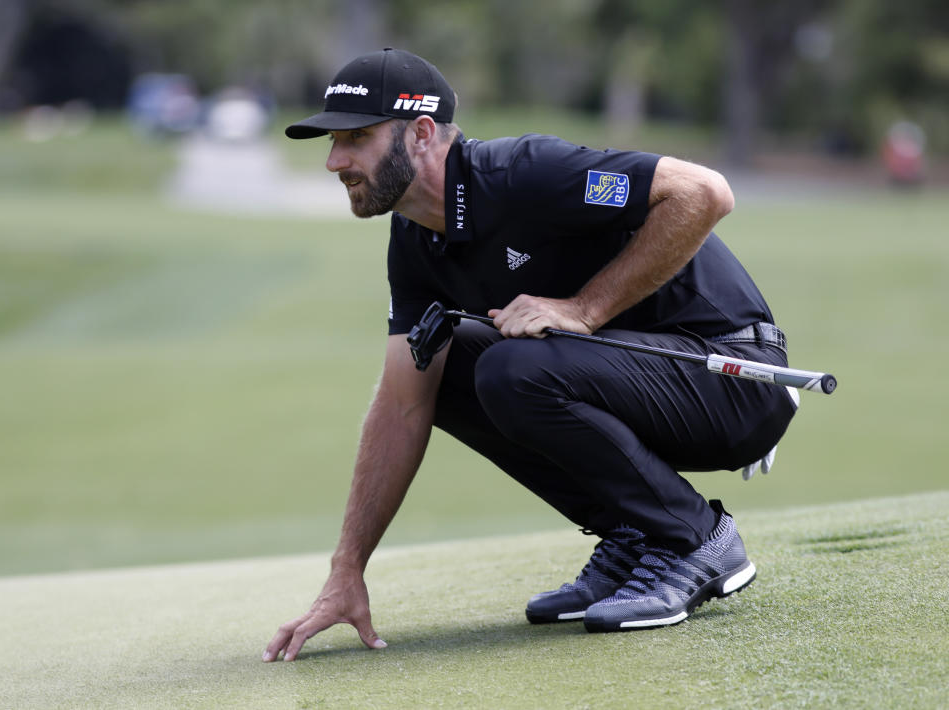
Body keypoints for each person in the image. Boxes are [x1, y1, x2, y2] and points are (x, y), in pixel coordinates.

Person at [263, 48, 798, 662]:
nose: (335, 161)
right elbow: (402, 405)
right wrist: (347, 568)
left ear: (421, 133)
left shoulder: (524, 173)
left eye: (355, 137)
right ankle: (638, 531)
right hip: (646, 385)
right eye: (332, 140)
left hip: (734, 378)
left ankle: (695, 540)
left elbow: (705, 193)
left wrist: (584, 309)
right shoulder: (413, 240)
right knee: (440, 364)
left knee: (510, 369)